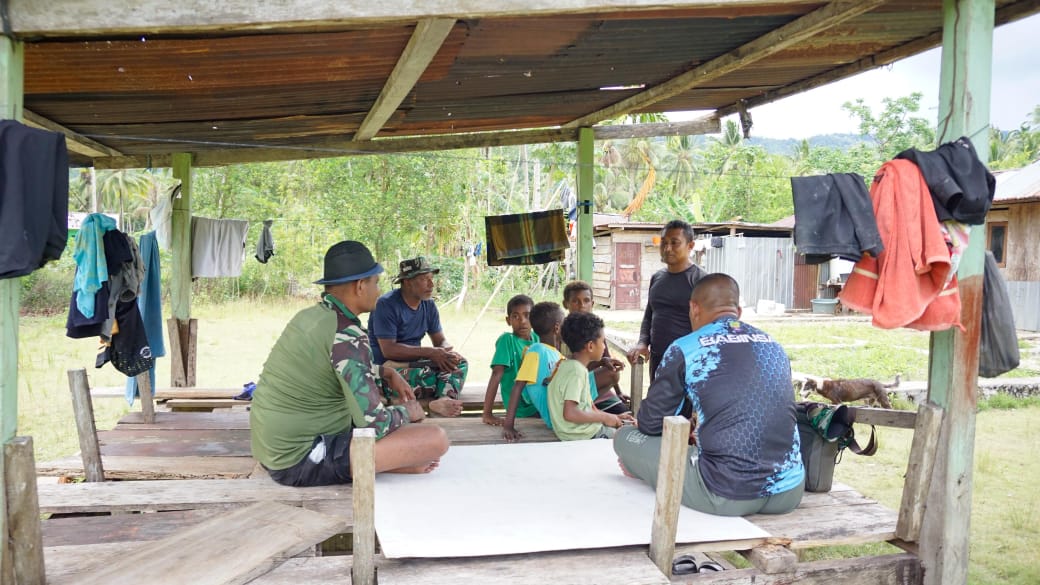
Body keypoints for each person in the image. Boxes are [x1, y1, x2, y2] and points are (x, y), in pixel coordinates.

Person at [250, 241, 448, 486]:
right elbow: (374, 424)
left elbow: (335, 365)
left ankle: (389, 460)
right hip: (299, 459)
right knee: (435, 439)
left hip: (271, 448)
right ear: (360, 286)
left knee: (402, 426)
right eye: (376, 283)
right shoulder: (346, 333)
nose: (378, 291)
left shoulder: (312, 316)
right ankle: (389, 463)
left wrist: (386, 373)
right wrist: (410, 411)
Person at [614, 273, 805, 516]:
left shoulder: (686, 347)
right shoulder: (773, 345)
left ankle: (640, 466)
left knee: (624, 437)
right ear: (738, 311)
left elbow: (651, 424)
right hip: (789, 491)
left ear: (693, 308)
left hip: (724, 492)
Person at [369, 256, 467, 417]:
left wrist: (446, 351)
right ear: (407, 282)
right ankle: (436, 397)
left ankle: (444, 400)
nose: (431, 284)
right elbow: (388, 350)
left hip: (415, 364)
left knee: (460, 364)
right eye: (424, 279)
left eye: (431, 278)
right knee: (427, 376)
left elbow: (440, 340)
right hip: (389, 368)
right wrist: (431, 353)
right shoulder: (386, 304)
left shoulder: (428, 305)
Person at [626, 220, 707, 380]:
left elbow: (709, 325)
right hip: (658, 359)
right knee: (657, 395)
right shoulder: (657, 278)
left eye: (675, 243)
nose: (667, 248)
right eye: (664, 242)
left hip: (688, 362)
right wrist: (643, 342)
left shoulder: (701, 280)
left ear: (690, 246)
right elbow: (649, 315)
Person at [548, 312, 634, 441]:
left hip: (572, 431)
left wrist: (615, 417)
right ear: (590, 346)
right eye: (602, 342)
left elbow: (588, 407)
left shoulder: (566, 365)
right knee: (628, 438)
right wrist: (605, 417)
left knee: (624, 427)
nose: (604, 346)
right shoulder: (577, 372)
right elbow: (570, 413)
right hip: (580, 434)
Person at [501, 301, 566, 442]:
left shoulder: (557, 355)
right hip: (558, 417)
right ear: (557, 328)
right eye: (564, 324)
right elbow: (518, 386)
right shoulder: (536, 351)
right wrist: (508, 425)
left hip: (567, 411)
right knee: (607, 374)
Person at [561, 280, 628, 414]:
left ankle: (592, 407)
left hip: (597, 387)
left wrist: (618, 392)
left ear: (592, 304)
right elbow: (569, 367)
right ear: (565, 304)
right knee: (611, 375)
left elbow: (607, 360)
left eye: (586, 301)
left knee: (624, 414)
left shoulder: (595, 329)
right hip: (571, 387)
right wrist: (601, 363)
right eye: (575, 301)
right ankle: (585, 408)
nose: (581, 306)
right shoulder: (563, 330)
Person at [481, 294, 539, 426]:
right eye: (516, 316)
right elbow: (496, 374)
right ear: (508, 320)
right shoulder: (507, 340)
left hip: (538, 402)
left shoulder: (538, 338)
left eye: (527, 315)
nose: (522, 321)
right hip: (519, 409)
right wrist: (487, 414)